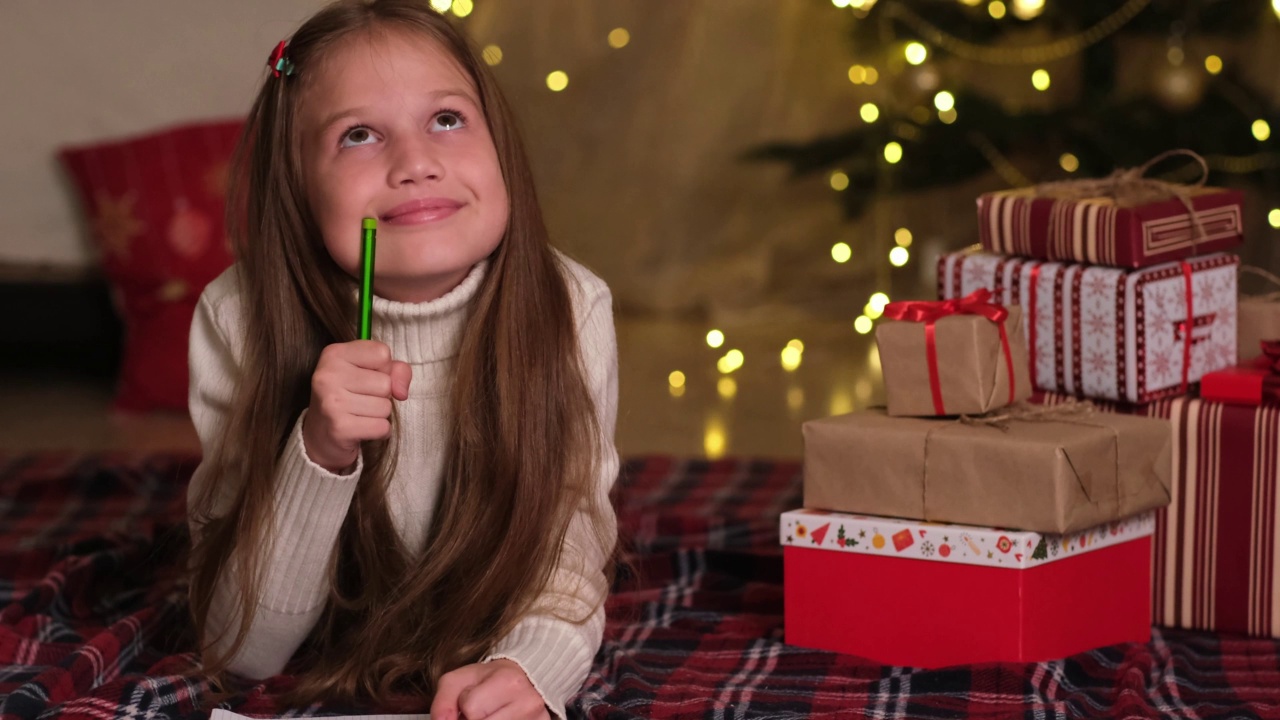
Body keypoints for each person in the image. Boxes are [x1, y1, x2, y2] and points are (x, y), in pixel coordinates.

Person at [184, 2, 619, 718]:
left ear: (499, 144)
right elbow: (241, 649)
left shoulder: (573, 309)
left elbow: (566, 558)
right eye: (358, 135)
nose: (416, 164)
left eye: (446, 119)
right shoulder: (238, 322)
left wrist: (532, 665)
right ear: (296, 185)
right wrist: (318, 453)